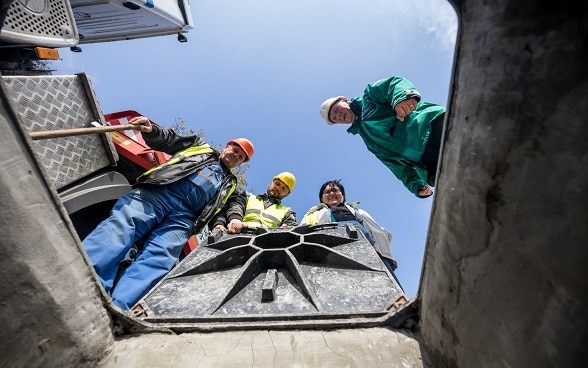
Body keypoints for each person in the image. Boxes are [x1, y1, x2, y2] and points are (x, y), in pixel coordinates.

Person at [82, 115, 254, 310]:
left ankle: (119, 308)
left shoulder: (230, 184)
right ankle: (87, 283)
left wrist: (231, 221)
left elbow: (231, 207)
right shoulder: (200, 147)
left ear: (240, 164)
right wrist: (152, 131)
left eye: (240, 157)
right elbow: (170, 140)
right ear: (226, 146)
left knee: (161, 257)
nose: (235, 155)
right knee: (121, 228)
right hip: (158, 194)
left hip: (184, 218)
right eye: (235, 149)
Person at [320, 76, 446, 198]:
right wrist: (415, 185)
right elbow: (396, 166)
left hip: (432, 127)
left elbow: (393, 84)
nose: (338, 116)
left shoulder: (370, 97)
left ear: (345, 100)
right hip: (427, 165)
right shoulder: (370, 143)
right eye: (335, 119)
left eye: (336, 110)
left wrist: (402, 98)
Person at [300, 180, 400, 286]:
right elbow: (304, 230)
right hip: (334, 255)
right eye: (327, 192)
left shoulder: (359, 212)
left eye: (335, 190)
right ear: (321, 198)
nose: (332, 193)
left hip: (371, 253)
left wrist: (386, 255)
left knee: (387, 286)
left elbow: (377, 233)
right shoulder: (313, 214)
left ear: (343, 195)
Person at [210, 172, 297, 234]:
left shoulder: (287, 212)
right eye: (277, 184)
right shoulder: (247, 196)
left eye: (283, 188)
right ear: (271, 183)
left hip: (267, 244)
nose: (278, 188)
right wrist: (235, 220)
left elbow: (289, 227)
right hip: (238, 234)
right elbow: (235, 205)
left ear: (287, 194)